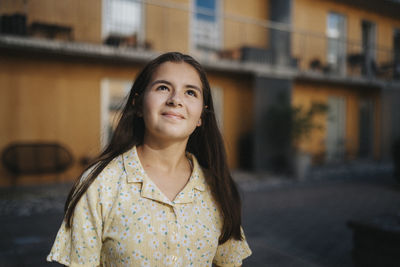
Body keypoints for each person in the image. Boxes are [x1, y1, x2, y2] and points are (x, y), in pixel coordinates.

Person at [47, 52, 251, 266]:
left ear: (201, 115)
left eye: (190, 92)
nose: (175, 100)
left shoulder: (217, 188)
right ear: (138, 104)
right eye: (163, 88)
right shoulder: (100, 184)